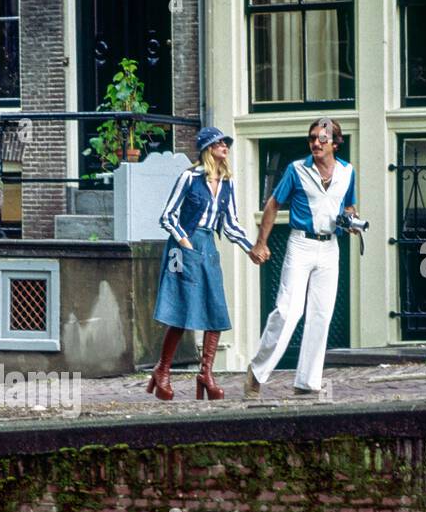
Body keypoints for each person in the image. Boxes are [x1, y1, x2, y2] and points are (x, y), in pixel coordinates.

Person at [244, 117, 364, 399]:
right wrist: (261, 242)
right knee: (287, 310)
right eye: (312, 138)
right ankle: (257, 372)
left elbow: (349, 205)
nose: (315, 143)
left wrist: (353, 221)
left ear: (335, 143)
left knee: (321, 314)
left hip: (330, 245)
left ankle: (307, 381)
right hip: (300, 244)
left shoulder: (348, 172)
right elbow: (273, 204)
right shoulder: (296, 169)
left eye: (322, 139)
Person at [147, 126, 259, 401]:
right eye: (221, 143)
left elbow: (230, 224)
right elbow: (167, 216)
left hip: (208, 246)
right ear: (209, 147)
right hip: (183, 248)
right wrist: (184, 241)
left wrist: (250, 248)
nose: (226, 147)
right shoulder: (189, 177)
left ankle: (205, 374)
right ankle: (162, 371)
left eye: (226, 144)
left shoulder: (227, 183)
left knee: (216, 308)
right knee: (180, 311)